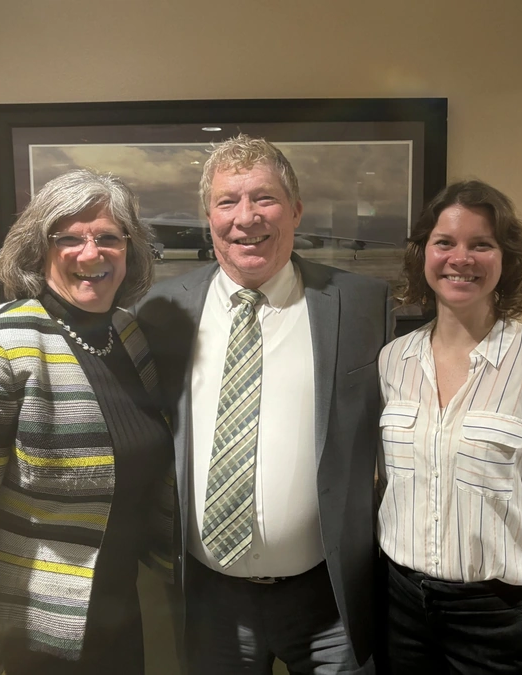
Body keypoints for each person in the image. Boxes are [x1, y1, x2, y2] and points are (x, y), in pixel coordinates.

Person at [137, 134, 393, 674]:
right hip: (211, 600)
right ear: (208, 215)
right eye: (228, 201)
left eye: (265, 199)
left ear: (296, 210)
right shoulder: (159, 310)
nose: (246, 218)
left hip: (328, 599)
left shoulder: (362, 305)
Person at [0, 169, 174, 675]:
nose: (91, 253)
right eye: (68, 238)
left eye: (108, 238)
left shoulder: (127, 336)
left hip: (116, 615)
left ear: (130, 251)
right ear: (37, 249)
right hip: (26, 639)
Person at [376, 179, 522, 675]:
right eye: (445, 242)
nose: (460, 258)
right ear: (424, 253)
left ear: (505, 260)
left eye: (480, 244)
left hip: (498, 620)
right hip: (398, 609)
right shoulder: (392, 361)